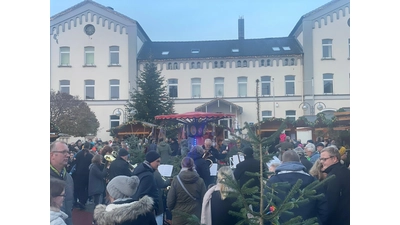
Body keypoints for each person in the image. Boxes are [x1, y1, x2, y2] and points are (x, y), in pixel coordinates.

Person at [265, 150, 329, 225]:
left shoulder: (273, 181)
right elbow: (323, 207)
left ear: (282, 163)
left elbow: (265, 207)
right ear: (300, 162)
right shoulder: (313, 181)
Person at [167, 157, 207, 225]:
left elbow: (170, 201)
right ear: (193, 165)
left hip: (179, 216)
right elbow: (204, 199)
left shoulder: (176, 180)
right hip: (195, 215)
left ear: (182, 165)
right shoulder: (200, 181)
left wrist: (173, 211)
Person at [320, 146, 350, 225]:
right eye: (321, 159)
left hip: (337, 219)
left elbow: (331, 202)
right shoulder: (345, 171)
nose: (321, 162)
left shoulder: (334, 176)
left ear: (334, 159)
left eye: (324, 159)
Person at [50, 141, 74, 225]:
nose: (67, 155)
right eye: (63, 152)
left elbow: (70, 203)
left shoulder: (68, 177)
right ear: (52, 155)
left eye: (68, 152)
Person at [132, 151, 161, 218]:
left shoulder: (140, 170)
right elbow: (142, 194)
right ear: (151, 161)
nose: (159, 164)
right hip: (146, 211)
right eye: (157, 161)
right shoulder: (148, 176)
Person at [73, 141, 93, 209]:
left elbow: (75, 162)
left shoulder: (79, 154)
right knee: (86, 188)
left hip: (78, 173)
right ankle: (83, 201)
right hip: (87, 174)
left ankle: (78, 200)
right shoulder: (91, 156)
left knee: (79, 188)